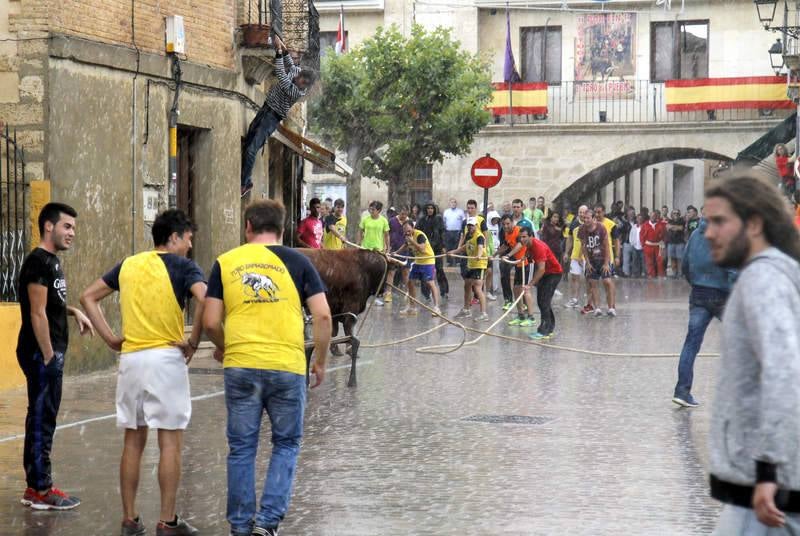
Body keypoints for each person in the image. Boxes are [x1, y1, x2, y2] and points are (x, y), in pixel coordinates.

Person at [203, 200, 332, 536]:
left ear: (247, 226)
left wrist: (226, 346)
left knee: (242, 447)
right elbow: (322, 315)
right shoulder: (299, 262)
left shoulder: (225, 262)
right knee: (286, 443)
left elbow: (210, 321)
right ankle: (268, 522)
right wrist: (320, 360)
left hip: (241, 366)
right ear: (283, 227)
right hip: (287, 366)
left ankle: (241, 525)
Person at [80, 209, 206, 536]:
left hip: (132, 360)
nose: (190, 246)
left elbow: (88, 297)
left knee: (133, 441)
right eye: (188, 239)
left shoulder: (129, 264)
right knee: (170, 443)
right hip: (166, 359)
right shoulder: (184, 267)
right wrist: (193, 340)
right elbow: (205, 299)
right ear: (175, 237)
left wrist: (110, 338)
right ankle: (167, 521)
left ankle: (130, 519)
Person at [704, 175, 800, 535]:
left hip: (764, 488)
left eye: (719, 221)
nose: (709, 232)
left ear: (755, 223)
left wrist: (769, 469)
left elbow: (785, 372)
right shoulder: (783, 273)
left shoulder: (763, 279)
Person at [17, 202, 94, 511]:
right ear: (49, 226)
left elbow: (48, 305)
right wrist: (49, 356)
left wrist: (74, 310)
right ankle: (40, 489)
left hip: (47, 354)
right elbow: (36, 313)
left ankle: (35, 485)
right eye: (67, 226)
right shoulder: (38, 262)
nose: (72, 233)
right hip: (41, 355)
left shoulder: (51, 262)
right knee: (41, 421)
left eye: (73, 227)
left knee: (42, 418)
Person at [671, 216, 734, 408]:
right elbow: (734, 270)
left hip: (698, 293)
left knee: (691, 344)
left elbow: (685, 267)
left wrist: (698, 283)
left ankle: (682, 391)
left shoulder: (695, 235)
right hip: (722, 295)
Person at [241, 38, 314, 196]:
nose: (301, 84)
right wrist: (282, 47)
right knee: (249, 141)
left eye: (304, 84)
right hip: (266, 109)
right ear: (300, 75)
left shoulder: (297, 92)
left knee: (252, 149)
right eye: (302, 81)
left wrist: (279, 52)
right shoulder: (295, 71)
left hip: (272, 118)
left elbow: (281, 74)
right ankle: (245, 179)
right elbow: (289, 62)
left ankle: (245, 183)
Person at [519, 228, 563, 339]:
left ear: (531, 236)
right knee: (542, 301)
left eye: (524, 237)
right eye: (521, 237)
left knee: (544, 301)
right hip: (545, 274)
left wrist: (530, 284)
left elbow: (541, 269)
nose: (522, 239)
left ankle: (544, 331)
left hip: (553, 273)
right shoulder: (529, 245)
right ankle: (549, 327)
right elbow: (530, 252)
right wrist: (526, 256)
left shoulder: (538, 246)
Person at [448, 217, 489, 321]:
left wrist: (479, 255)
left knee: (477, 288)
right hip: (471, 265)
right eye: (469, 225)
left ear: (476, 226)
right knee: (467, 285)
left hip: (479, 265)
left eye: (472, 225)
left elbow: (480, 247)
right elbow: (464, 247)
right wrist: (453, 252)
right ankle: (466, 310)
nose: (470, 227)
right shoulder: (468, 236)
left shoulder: (479, 236)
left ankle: (484, 313)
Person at [396, 221, 441, 316]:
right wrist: (396, 253)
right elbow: (405, 245)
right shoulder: (407, 236)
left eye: (408, 230)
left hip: (428, 261)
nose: (407, 233)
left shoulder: (420, 235)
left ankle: (436, 307)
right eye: (405, 231)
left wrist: (412, 241)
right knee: (410, 281)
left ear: (413, 228)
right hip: (418, 261)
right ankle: (412, 308)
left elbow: (422, 249)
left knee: (430, 282)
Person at [578, 212, 616, 317]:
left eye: (588, 218)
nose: (585, 220)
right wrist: (587, 262)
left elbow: (607, 246)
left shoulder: (601, 228)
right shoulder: (582, 229)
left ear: (593, 219)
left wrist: (606, 263)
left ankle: (611, 308)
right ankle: (597, 308)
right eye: (584, 218)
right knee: (593, 283)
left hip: (603, 258)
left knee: (607, 282)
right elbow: (584, 246)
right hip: (592, 260)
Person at [502, 221, 537, 327]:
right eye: (504, 224)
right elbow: (507, 245)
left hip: (528, 264)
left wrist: (508, 255)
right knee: (516, 289)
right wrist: (496, 255)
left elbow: (520, 245)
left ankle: (531, 317)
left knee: (526, 289)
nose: (522, 239)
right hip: (519, 264)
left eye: (524, 237)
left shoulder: (524, 236)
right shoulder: (508, 234)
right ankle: (521, 315)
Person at [358, 201, 390, 305]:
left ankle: (376, 296)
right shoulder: (365, 220)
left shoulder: (383, 221)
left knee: (376, 274)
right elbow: (360, 232)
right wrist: (358, 244)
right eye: (370, 209)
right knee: (364, 273)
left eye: (373, 209)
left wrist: (387, 248)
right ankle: (363, 295)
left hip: (378, 250)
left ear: (379, 211)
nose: (371, 211)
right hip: (366, 249)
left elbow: (386, 235)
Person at [417, 202, 449, 300]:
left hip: (437, 248)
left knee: (439, 270)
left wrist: (443, 246)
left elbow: (442, 232)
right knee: (425, 271)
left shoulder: (438, 219)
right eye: (428, 208)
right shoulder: (422, 220)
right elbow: (418, 233)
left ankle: (444, 291)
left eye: (432, 208)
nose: (430, 210)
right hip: (425, 250)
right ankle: (426, 293)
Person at [563, 205, 588, 309]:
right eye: (580, 212)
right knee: (574, 277)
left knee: (589, 279)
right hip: (574, 255)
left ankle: (589, 301)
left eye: (584, 212)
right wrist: (566, 252)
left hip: (587, 257)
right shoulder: (574, 224)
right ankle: (574, 299)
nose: (582, 214)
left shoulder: (590, 224)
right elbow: (570, 239)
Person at [385, 206, 411, 304]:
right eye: (401, 214)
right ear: (399, 212)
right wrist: (387, 247)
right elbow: (387, 234)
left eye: (405, 214)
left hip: (405, 250)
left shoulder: (410, 222)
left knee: (406, 273)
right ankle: (388, 293)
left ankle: (408, 292)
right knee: (391, 272)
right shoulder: (392, 221)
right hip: (393, 250)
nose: (403, 216)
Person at [640, 209, 666, 278]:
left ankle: (660, 275)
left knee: (660, 261)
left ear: (656, 216)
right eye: (652, 216)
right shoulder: (645, 225)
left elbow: (664, 234)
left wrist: (663, 243)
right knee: (649, 261)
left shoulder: (660, 225)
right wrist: (643, 245)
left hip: (658, 245)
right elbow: (641, 235)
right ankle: (651, 275)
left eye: (654, 216)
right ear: (650, 217)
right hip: (648, 245)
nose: (653, 217)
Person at [442, 198, 465, 267]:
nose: (453, 203)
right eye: (452, 202)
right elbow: (444, 221)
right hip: (448, 231)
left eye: (454, 202)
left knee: (457, 246)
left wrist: (461, 231)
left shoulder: (460, 211)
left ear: (456, 203)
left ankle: (457, 261)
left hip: (457, 232)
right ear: (450, 203)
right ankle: (449, 261)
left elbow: (463, 221)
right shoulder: (446, 211)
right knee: (449, 246)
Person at [666, 208, 686, 278]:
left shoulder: (682, 221)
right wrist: (675, 227)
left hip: (680, 242)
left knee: (680, 258)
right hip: (671, 242)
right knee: (672, 258)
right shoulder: (670, 221)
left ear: (679, 214)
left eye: (677, 213)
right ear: (671, 214)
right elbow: (667, 227)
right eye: (674, 213)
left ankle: (680, 273)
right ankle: (674, 273)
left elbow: (681, 228)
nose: (676, 214)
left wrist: (672, 227)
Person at [620, 207, 636, 277]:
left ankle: (634, 274)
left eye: (633, 213)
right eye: (630, 213)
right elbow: (620, 232)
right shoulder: (624, 223)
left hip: (635, 244)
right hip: (626, 243)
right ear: (627, 214)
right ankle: (626, 274)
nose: (632, 215)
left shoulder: (637, 222)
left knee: (635, 261)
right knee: (626, 260)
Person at [629, 213, 644, 277]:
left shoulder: (644, 226)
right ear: (637, 219)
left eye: (641, 218)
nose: (639, 219)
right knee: (635, 261)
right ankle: (635, 273)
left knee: (643, 261)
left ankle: (643, 273)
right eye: (638, 218)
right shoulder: (634, 226)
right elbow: (631, 235)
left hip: (642, 247)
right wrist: (632, 243)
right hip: (635, 246)